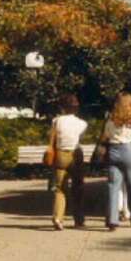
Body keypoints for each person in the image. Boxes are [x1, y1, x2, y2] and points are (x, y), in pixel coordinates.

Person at [100, 92, 131, 230]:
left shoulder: (110, 121)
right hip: (128, 151)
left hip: (113, 152)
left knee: (113, 186)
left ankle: (112, 220)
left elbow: (105, 138)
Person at [47, 93, 87, 230]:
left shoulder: (56, 121)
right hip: (76, 155)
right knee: (78, 187)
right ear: (76, 108)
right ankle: (79, 220)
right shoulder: (82, 123)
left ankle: (58, 218)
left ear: (62, 107)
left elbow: (52, 137)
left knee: (60, 189)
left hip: (60, 155)